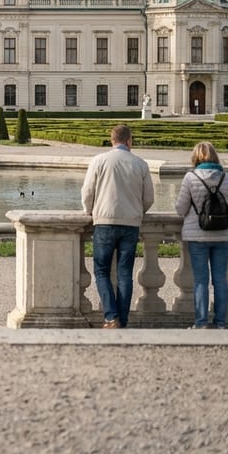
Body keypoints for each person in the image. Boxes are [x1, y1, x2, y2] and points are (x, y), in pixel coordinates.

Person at [81, 124, 154, 329]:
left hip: (104, 222)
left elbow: (87, 192)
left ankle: (111, 317)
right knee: (125, 274)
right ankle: (122, 319)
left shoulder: (98, 161)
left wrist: (89, 210)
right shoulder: (140, 164)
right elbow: (149, 198)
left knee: (102, 271)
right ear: (129, 141)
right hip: (130, 224)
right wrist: (138, 210)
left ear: (112, 141)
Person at [175, 141, 228, 329]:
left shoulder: (190, 177)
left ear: (196, 157)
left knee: (201, 280)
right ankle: (220, 323)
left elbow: (180, 209)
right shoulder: (227, 178)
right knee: (220, 279)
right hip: (223, 234)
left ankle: (201, 322)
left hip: (198, 235)